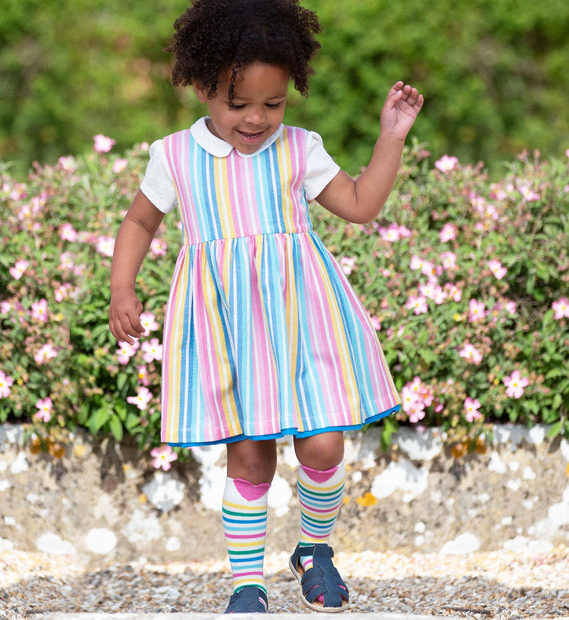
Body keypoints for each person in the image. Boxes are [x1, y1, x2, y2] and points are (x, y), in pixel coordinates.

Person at [109, 0, 423, 613]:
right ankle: (246, 584)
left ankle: (313, 548)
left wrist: (391, 138)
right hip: (229, 331)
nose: (256, 118)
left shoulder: (299, 149)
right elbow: (140, 221)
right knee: (250, 458)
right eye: (238, 103)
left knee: (325, 446)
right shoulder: (174, 156)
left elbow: (360, 205)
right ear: (202, 87)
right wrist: (123, 288)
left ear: (289, 95)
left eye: (272, 104)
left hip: (303, 321)